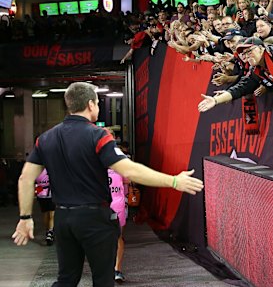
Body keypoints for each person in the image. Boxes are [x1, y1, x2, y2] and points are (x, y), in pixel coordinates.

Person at [12, 82, 204, 287]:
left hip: (63, 218)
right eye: (97, 102)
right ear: (90, 105)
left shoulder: (45, 138)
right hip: (94, 219)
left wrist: (25, 217)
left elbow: (25, 178)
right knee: (103, 280)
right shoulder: (97, 135)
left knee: (66, 279)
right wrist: (173, 181)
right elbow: (128, 170)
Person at [198, 37, 273, 118]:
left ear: (261, 48)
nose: (247, 56)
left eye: (249, 51)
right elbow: (241, 88)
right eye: (243, 54)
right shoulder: (256, 70)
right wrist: (215, 100)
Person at [35, 168, 55, 245]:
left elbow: (36, 183)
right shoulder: (51, 168)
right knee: (51, 214)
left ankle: (48, 231)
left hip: (41, 194)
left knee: (45, 213)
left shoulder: (37, 170)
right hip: (50, 194)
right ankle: (50, 232)